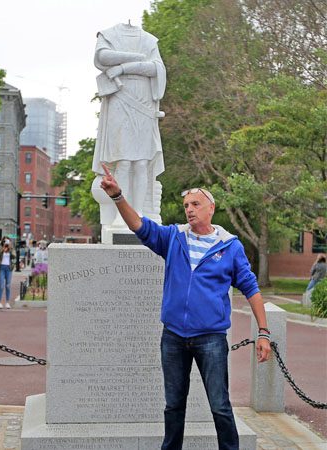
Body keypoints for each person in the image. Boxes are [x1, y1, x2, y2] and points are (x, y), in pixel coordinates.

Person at [99, 164, 270, 450]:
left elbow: (251, 289)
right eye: (186, 205)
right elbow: (138, 225)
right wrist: (118, 197)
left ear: (210, 208)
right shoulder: (173, 238)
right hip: (174, 336)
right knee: (174, 406)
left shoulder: (230, 246)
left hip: (211, 339)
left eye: (195, 204)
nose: (189, 209)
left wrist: (263, 331)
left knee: (220, 406)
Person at [92, 22, 166, 219]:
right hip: (120, 100)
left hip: (144, 102)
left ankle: (139, 212)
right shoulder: (108, 34)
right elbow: (102, 57)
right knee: (123, 161)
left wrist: (124, 68)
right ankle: (121, 215)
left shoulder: (149, 40)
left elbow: (156, 68)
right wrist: (136, 58)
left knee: (142, 162)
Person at [0, 238, 17, 309]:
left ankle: (7, 302)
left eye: (8, 241)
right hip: (1, 268)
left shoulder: (11, 248)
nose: (6, 242)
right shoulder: (0, 248)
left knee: (8, 286)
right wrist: (2, 250)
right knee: (1, 286)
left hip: (9, 268)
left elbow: (14, 256)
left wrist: (10, 249)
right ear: (2, 242)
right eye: (5, 241)